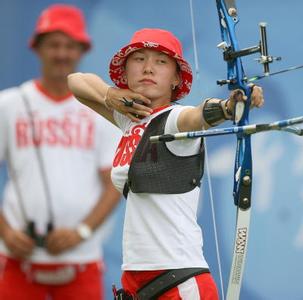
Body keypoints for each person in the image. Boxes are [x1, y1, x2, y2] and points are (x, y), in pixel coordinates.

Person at [68, 28, 264, 299]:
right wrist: (109, 94)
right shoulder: (130, 120)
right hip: (137, 281)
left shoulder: (175, 118)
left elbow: (199, 115)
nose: (148, 68)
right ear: (125, 72)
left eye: (161, 62)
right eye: (139, 59)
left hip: (179, 282)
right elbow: (76, 81)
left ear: (175, 79)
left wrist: (231, 106)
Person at [0, 4, 121, 299]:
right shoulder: (9, 104)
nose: (61, 53)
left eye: (70, 45)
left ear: (82, 50)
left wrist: (81, 232)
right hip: (18, 257)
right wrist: (5, 232)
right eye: (53, 44)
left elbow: (113, 184)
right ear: (38, 48)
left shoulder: (99, 111)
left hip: (81, 259)